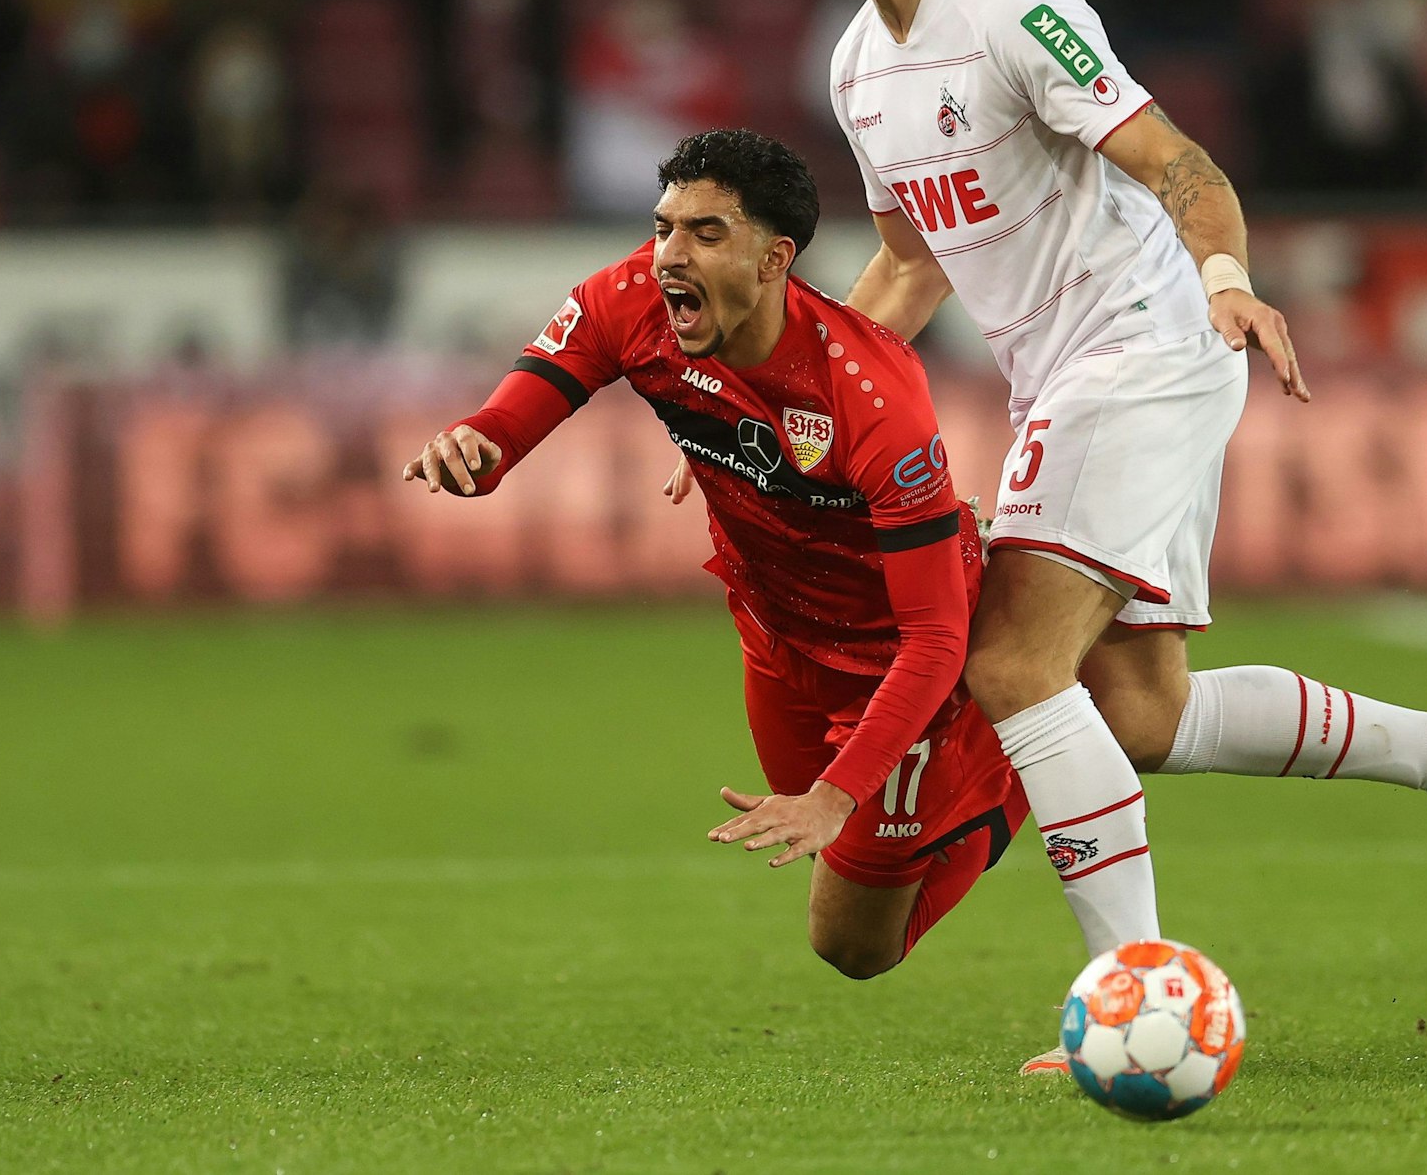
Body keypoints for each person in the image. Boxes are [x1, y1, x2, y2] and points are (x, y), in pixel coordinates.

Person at [792, 0, 1427, 1067]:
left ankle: (1132, 992)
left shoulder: (1015, 11)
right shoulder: (859, 67)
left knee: (1012, 662)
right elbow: (912, 263)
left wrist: (1228, 281)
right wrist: (803, 408)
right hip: (1068, 375)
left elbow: (1182, 165)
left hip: (1146, 345)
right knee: (1138, 713)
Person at [404, 128, 1025, 979]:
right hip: (775, 637)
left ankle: (997, 772)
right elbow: (505, 430)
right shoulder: (627, 300)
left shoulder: (876, 400)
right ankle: (910, 810)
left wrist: (838, 794)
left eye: (705, 233)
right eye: (664, 226)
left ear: (774, 259)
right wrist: (470, 447)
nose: (667, 256)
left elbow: (935, 636)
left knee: (851, 946)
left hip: (898, 658)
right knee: (826, 878)